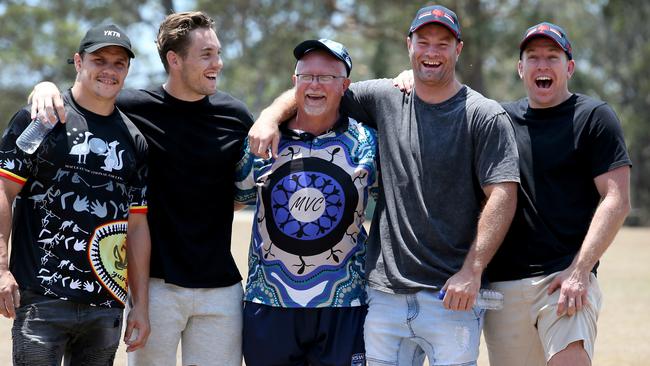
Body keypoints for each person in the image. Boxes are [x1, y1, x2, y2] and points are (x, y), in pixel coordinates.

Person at [248, 5, 520, 366]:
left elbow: (503, 194)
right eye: (423, 42)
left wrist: (472, 271)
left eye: (443, 43)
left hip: (451, 296)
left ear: (459, 49)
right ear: (409, 45)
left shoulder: (484, 115)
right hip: (384, 295)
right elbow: (316, 86)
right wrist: (268, 115)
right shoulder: (385, 97)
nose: (432, 52)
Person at [29, 12, 253, 366]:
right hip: (154, 288)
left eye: (218, 53)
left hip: (221, 289)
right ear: (174, 60)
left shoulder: (236, 116)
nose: (218, 63)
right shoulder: (130, 109)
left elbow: (240, 198)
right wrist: (44, 88)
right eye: (207, 54)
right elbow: (82, 98)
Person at [481, 22, 632, 366]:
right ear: (521, 69)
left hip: (564, 278)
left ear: (570, 67)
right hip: (504, 285)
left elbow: (616, 199)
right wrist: (411, 80)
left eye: (552, 56)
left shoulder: (594, 117)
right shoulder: (498, 119)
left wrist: (581, 270)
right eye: (533, 57)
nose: (542, 65)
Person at [0, 24, 151, 365]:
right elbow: (4, 191)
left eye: (119, 63)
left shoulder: (134, 140)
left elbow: (137, 226)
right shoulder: (41, 118)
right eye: (100, 60)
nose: (109, 71)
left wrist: (139, 305)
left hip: (106, 304)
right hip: (42, 299)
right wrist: (1, 270)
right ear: (79, 61)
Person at [235, 39, 376, 366]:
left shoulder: (368, 141)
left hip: (345, 304)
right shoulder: (262, 139)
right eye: (306, 76)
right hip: (269, 304)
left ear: (345, 86)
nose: (315, 84)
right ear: (294, 82)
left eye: (326, 77)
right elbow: (232, 200)